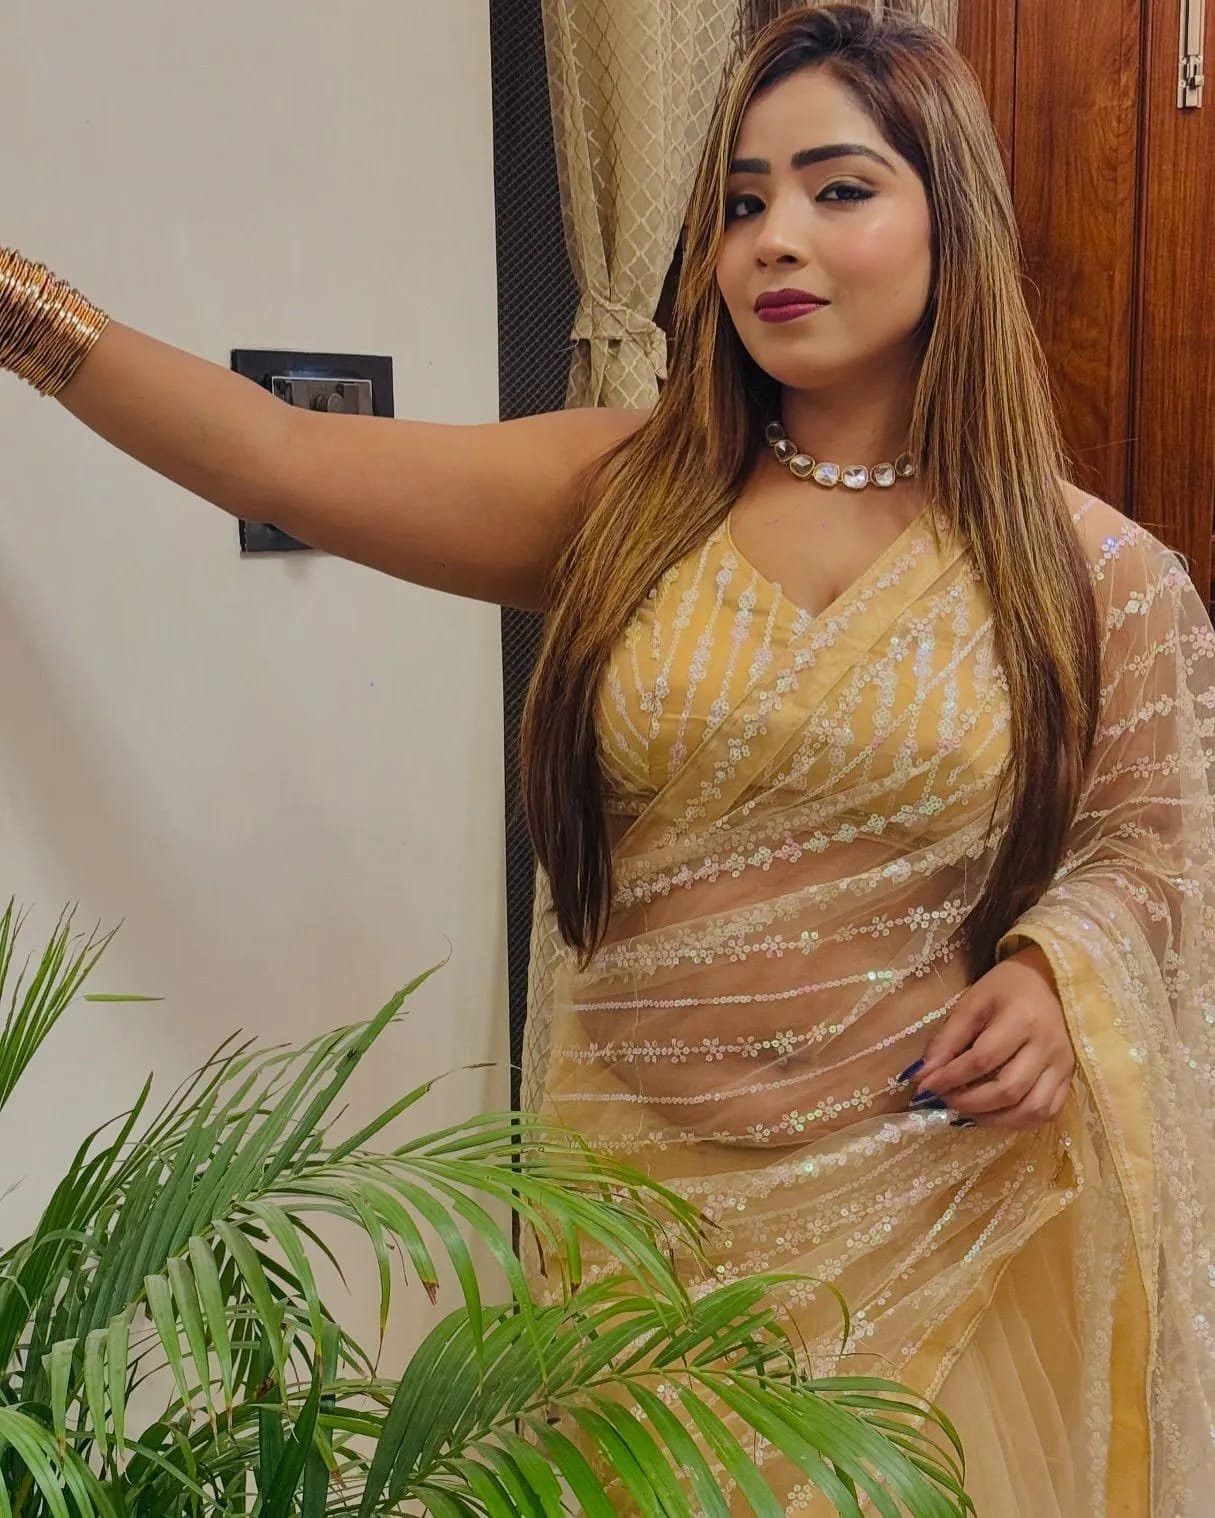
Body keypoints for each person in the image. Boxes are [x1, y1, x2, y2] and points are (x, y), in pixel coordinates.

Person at [4, 3, 1214, 1512]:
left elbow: (1153, 845)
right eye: (742, 203)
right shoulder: (625, 494)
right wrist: (19, 305)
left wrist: (1050, 972)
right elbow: (277, 457)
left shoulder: (1090, 571)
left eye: (839, 189)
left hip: (928, 1229)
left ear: (952, 220)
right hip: (641, 1229)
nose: (775, 240)